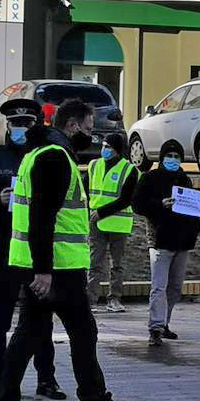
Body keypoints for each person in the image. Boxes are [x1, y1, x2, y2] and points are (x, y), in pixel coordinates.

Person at [0, 98, 141, 401]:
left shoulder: (38, 154)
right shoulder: (55, 157)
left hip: (41, 265)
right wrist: (44, 270)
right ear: (71, 125)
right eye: (88, 128)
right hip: (56, 269)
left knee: (28, 337)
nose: (91, 136)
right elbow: (42, 218)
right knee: (83, 333)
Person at [0, 100, 63, 401]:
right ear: (7, 125)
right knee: (0, 320)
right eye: (16, 123)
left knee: (41, 319)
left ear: (37, 125)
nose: (21, 128)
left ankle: (46, 378)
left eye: (27, 123)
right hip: (2, 252)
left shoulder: (45, 158)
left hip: (36, 254)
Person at [135, 140, 200, 349]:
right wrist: (159, 205)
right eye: (169, 156)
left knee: (174, 287)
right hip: (160, 240)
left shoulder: (184, 179)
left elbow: (192, 207)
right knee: (159, 286)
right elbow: (138, 204)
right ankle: (155, 327)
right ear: (162, 158)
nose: (173, 160)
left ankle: (164, 322)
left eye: (176, 157)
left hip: (183, 241)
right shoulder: (150, 178)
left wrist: (195, 228)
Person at [87, 134, 140, 313]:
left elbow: (126, 200)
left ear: (117, 149)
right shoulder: (94, 165)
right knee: (95, 263)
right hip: (96, 223)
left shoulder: (129, 170)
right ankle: (90, 300)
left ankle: (114, 299)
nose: (104, 149)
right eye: (103, 145)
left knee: (117, 264)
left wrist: (100, 212)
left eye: (108, 146)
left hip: (117, 223)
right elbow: (86, 190)